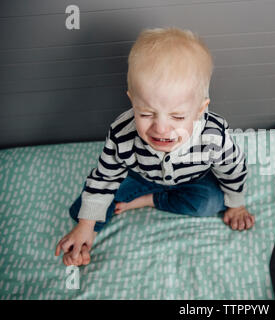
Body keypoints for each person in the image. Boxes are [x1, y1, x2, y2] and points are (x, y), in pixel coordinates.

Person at [55, 27, 255, 266]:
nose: (161, 129)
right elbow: (104, 178)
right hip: (140, 176)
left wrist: (237, 204)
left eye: (178, 117)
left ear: (200, 110)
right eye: (146, 113)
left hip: (194, 180)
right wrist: (87, 226)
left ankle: (150, 200)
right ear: (132, 101)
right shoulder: (122, 133)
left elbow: (233, 170)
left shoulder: (213, 137)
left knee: (212, 202)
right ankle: (85, 242)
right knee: (83, 209)